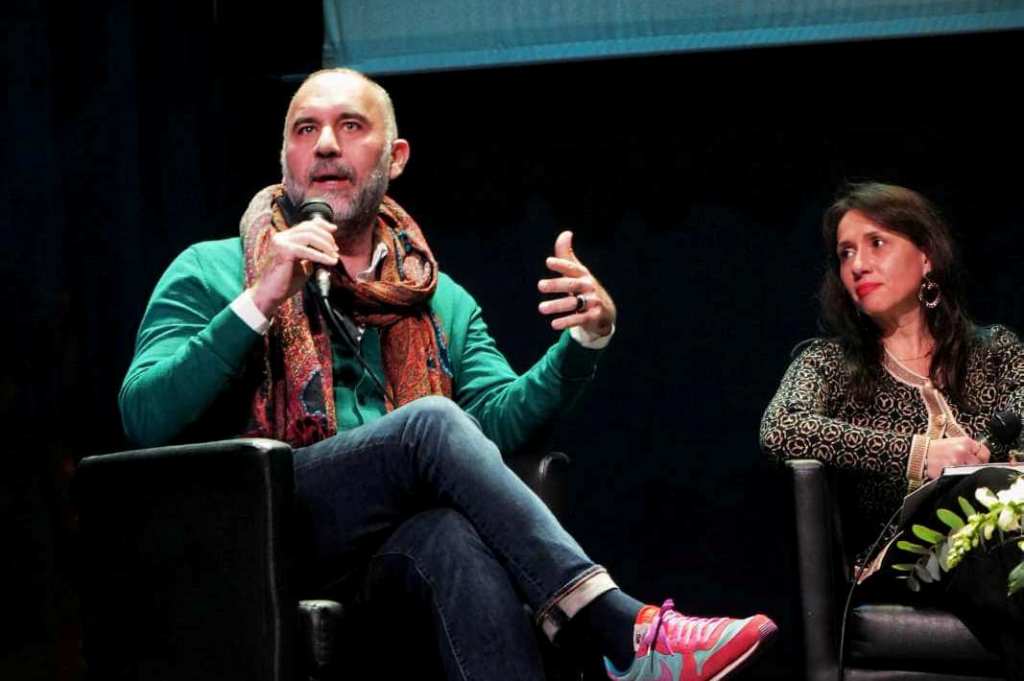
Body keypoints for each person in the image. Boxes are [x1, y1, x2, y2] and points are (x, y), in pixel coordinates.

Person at [119, 68, 776, 681]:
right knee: (430, 424)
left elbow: (495, 422)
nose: (326, 145)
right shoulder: (213, 268)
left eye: (351, 126)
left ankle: (617, 643)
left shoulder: (436, 298)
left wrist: (584, 341)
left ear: (395, 158)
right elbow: (145, 415)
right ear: (285, 157)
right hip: (269, 527)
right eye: (305, 129)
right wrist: (260, 299)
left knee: (452, 537)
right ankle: (616, 626)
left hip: (385, 548)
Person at [760, 181, 1024, 676]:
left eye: (877, 243)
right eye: (845, 253)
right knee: (988, 496)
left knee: (1002, 520)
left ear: (926, 257)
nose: (857, 265)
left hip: (1002, 539)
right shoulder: (828, 364)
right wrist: (919, 454)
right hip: (904, 563)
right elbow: (782, 428)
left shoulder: (997, 352)